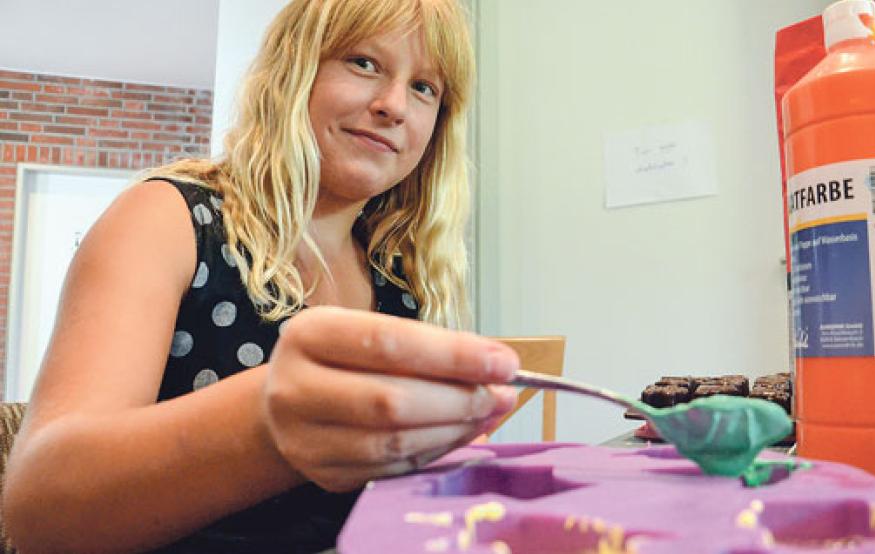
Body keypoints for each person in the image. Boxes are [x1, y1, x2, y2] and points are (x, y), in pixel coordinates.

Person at [0, 0, 519, 552]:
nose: (394, 105)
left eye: (424, 88)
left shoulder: (403, 279)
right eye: (364, 63)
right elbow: (40, 511)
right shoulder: (169, 219)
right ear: (293, 68)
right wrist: (269, 425)